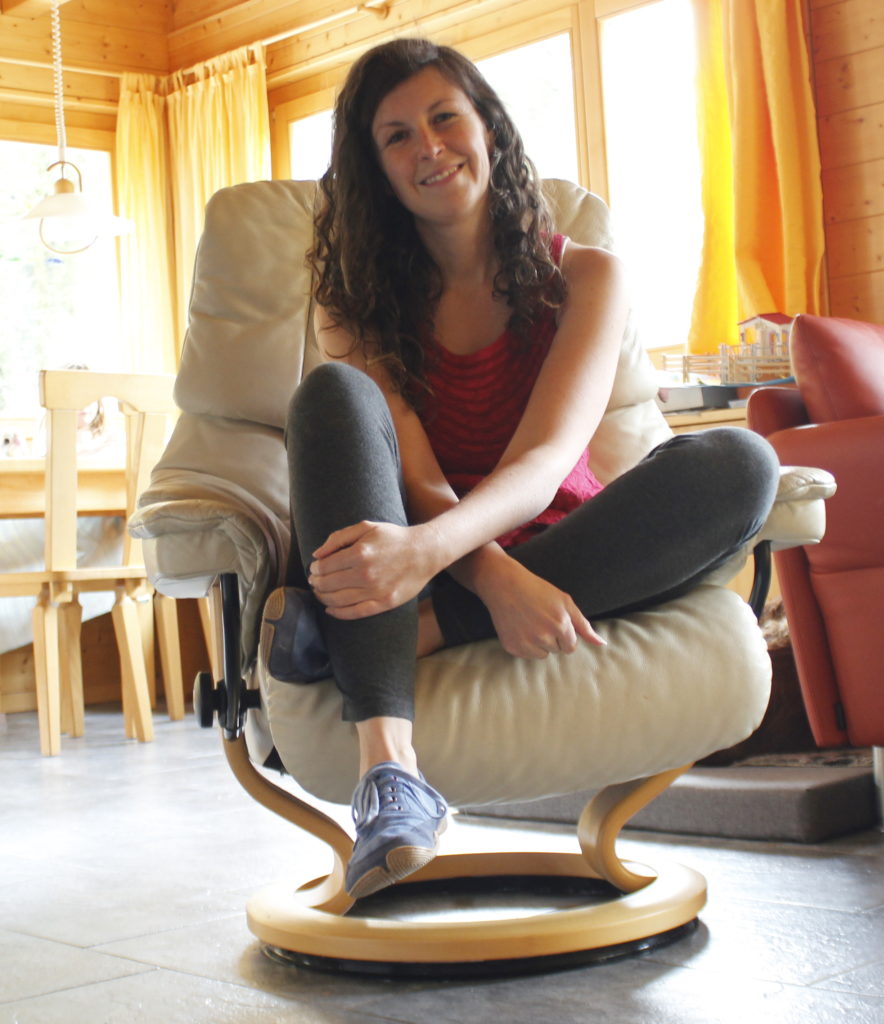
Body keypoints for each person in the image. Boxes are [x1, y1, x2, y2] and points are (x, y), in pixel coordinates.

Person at [260, 38, 780, 901]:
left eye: (443, 117)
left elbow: (544, 465)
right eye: (395, 137)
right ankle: (390, 780)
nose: (428, 146)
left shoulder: (588, 276)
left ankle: (413, 632)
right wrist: (474, 571)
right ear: (375, 169)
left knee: (740, 460)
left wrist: (466, 581)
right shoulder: (351, 298)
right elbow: (419, 481)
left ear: (489, 131)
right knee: (330, 399)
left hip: (557, 546)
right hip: (413, 537)